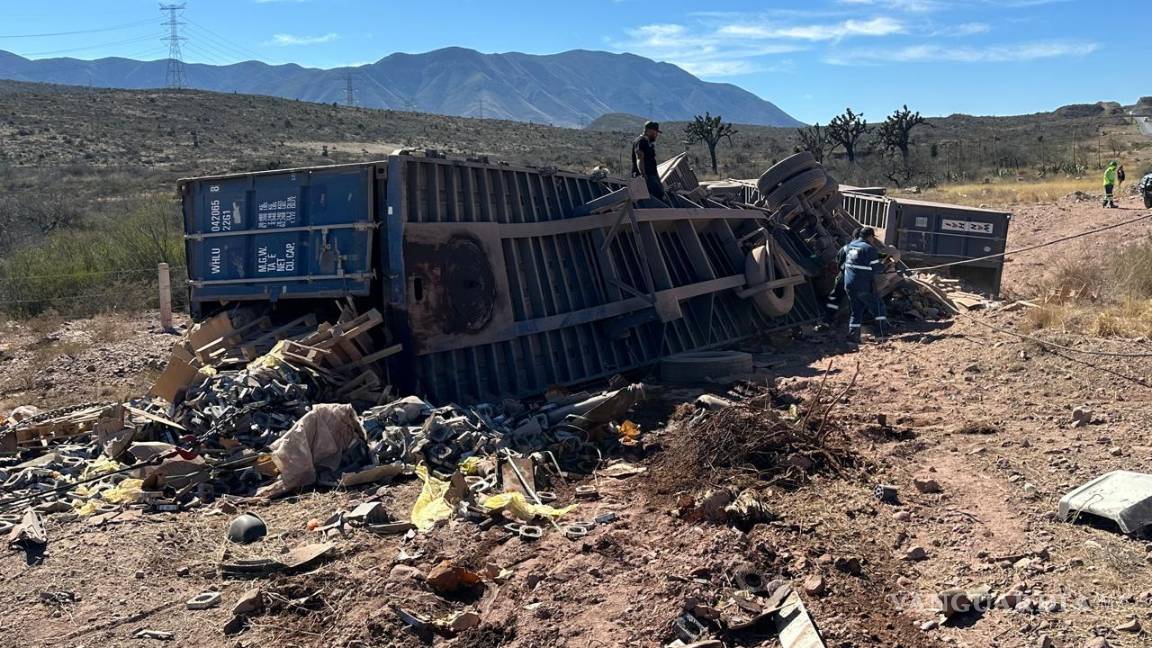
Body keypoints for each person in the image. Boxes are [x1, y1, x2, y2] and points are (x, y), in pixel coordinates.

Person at [841, 227, 888, 344]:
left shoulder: (849, 246)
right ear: (870, 237)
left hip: (849, 285)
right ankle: (880, 335)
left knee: (856, 310)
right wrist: (886, 264)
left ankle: (853, 336)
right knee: (878, 307)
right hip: (863, 286)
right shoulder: (869, 249)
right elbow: (876, 268)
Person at [631, 120, 666, 203]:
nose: (656, 135)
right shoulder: (641, 141)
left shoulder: (648, 143)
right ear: (650, 131)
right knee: (654, 198)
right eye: (656, 132)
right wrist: (643, 175)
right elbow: (639, 158)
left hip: (652, 175)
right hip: (646, 176)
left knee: (659, 195)